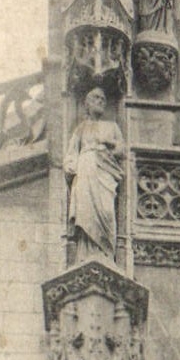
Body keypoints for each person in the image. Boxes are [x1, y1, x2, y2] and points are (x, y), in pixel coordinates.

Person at [64, 87, 124, 262]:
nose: (100, 101)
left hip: (106, 171)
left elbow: (122, 150)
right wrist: (70, 166)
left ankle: (106, 253)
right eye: (96, 98)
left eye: (103, 99)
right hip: (86, 168)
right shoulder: (81, 128)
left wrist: (108, 142)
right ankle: (86, 253)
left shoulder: (112, 126)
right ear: (87, 104)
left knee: (107, 211)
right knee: (86, 212)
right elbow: (71, 152)